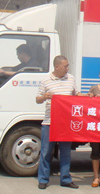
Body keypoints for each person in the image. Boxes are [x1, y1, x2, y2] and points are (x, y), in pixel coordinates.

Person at [35, 55, 81, 190]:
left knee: (65, 152)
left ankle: (65, 178)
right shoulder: (46, 80)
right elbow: (37, 99)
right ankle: (43, 179)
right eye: (65, 66)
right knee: (46, 152)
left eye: (68, 66)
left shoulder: (70, 78)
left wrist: (88, 96)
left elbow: (76, 94)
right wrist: (45, 96)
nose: (67, 68)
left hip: (66, 123)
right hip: (50, 122)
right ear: (57, 67)